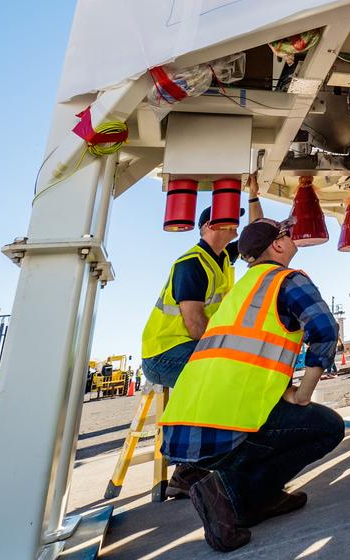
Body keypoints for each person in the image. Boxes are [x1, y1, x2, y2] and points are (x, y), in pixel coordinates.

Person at [159, 218, 344, 552]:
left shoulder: (240, 290)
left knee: (275, 426)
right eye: (287, 234)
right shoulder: (286, 280)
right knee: (327, 427)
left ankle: (250, 495)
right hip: (226, 426)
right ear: (277, 245)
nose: (292, 238)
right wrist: (302, 394)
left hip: (183, 427)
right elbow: (325, 330)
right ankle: (233, 494)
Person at [141, 175, 262, 496]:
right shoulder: (191, 264)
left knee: (231, 373)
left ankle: (206, 461)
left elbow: (258, 235)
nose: (235, 224)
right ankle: (187, 470)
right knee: (222, 378)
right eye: (229, 218)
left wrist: (252, 196)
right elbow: (195, 324)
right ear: (209, 226)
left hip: (191, 348)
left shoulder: (221, 258)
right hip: (165, 353)